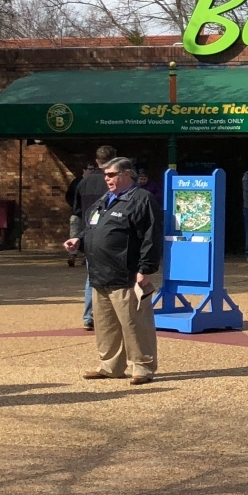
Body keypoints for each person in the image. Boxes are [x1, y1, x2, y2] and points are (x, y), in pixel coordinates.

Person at [65, 157, 161, 385]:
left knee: (135, 323)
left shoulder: (142, 199)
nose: (106, 179)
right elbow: (93, 227)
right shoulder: (105, 200)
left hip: (126, 274)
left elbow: (151, 236)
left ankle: (142, 367)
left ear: (127, 174)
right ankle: (110, 366)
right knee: (106, 325)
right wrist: (78, 240)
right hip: (99, 274)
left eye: (111, 174)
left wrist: (146, 268)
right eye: (105, 175)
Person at [69, 148, 118, 326]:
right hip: (112, 235)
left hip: (89, 235)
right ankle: (111, 317)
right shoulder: (115, 183)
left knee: (92, 277)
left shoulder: (84, 182)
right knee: (117, 278)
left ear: (96, 161)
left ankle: (89, 316)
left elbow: (77, 209)